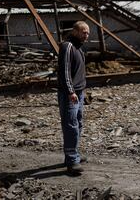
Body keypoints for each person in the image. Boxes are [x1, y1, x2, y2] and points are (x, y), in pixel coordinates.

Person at [57, 21, 90, 175]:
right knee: (71, 124)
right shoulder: (67, 46)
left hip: (79, 92)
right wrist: (71, 91)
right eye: (84, 32)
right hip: (70, 93)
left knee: (78, 123)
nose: (86, 35)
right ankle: (72, 161)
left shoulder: (79, 48)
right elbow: (65, 71)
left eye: (88, 33)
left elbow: (79, 73)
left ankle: (72, 155)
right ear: (75, 31)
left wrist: (82, 90)